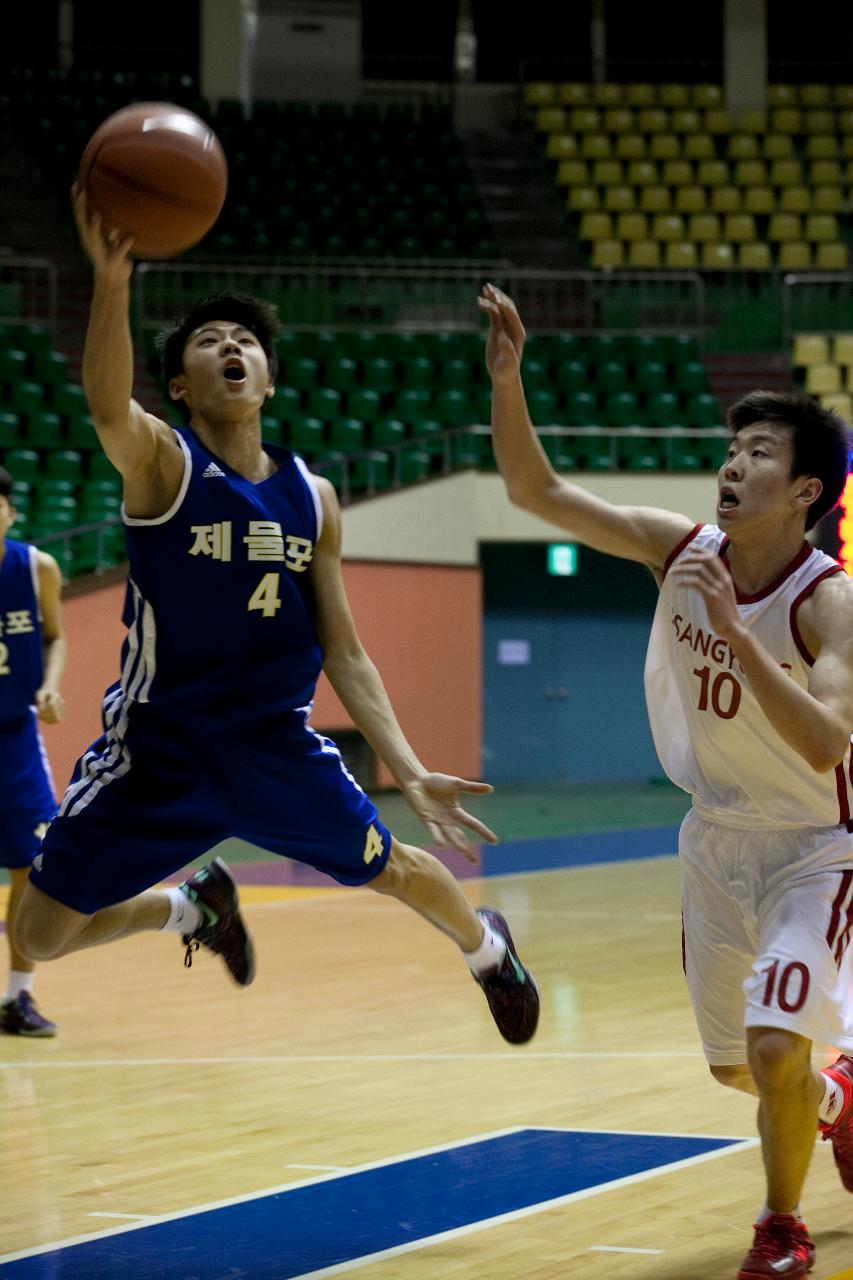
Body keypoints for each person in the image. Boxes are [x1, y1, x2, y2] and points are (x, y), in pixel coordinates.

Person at [13, 193, 539, 1052]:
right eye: (209, 340)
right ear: (180, 385)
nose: (232, 346)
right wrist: (111, 286)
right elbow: (109, 406)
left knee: (396, 870)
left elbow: (345, 649)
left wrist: (407, 768)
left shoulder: (312, 497)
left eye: (247, 341)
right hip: (158, 748)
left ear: (268, 379)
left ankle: (489, 954)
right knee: (34, 936)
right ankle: (193, 906)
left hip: (269, 745)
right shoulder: (161, 465)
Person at [479, 283, 853, 1279]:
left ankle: (782, 1228)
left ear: (807, 489)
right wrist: (508, 382)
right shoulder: (678, 547)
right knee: (741, 1065)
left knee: (777, 1043)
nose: (732, 466)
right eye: (731, 452)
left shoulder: (828, 603)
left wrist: (734, 633)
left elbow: (825, 741)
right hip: (716, 840)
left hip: (817, 849)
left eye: (759, 455)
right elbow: (537, 495)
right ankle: (838, 1101)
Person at [0, 466, 65, 1037]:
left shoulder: (36, 567)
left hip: (14, 736)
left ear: (10, 512)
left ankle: (18, 998)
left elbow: (55, 636)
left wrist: (49, 682)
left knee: (31, 868)